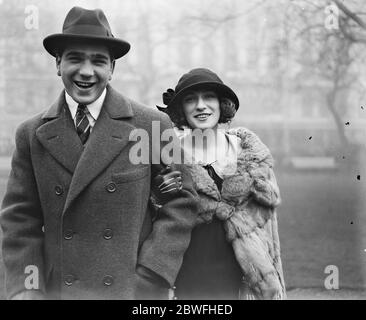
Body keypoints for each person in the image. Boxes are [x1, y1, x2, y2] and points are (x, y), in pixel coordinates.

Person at [0, 7, 198, 300]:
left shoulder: (152, 125)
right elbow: (20, 220)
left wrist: (153, 274)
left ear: (112, 69)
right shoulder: (32, 135)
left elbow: (182, 201)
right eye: (75, 58)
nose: (86, 71)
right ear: (57, 63)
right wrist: (27, 287)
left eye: (98, 61)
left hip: (130, 292)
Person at [156, 68, 286, 300]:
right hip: (185, 279)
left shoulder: (250, 156)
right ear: (181, 109)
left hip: (239, 281)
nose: (201, 106)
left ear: (222, 104)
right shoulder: (167, 156)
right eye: (190, 100)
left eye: (208, 98)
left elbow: (269, 233)